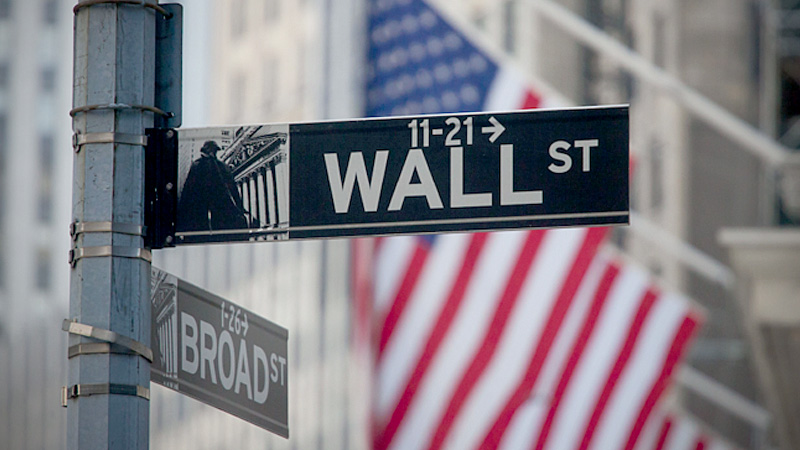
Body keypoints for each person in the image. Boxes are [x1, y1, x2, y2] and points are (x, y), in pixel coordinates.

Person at [177, 140, 249, 232]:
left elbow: (232, 188)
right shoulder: (214, 166)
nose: (213, 153)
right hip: (205, 205)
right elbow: (188, 189)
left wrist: (239, 206)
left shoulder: (217, 166)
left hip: (214, 205)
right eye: (213, 150)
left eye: (214, 150)